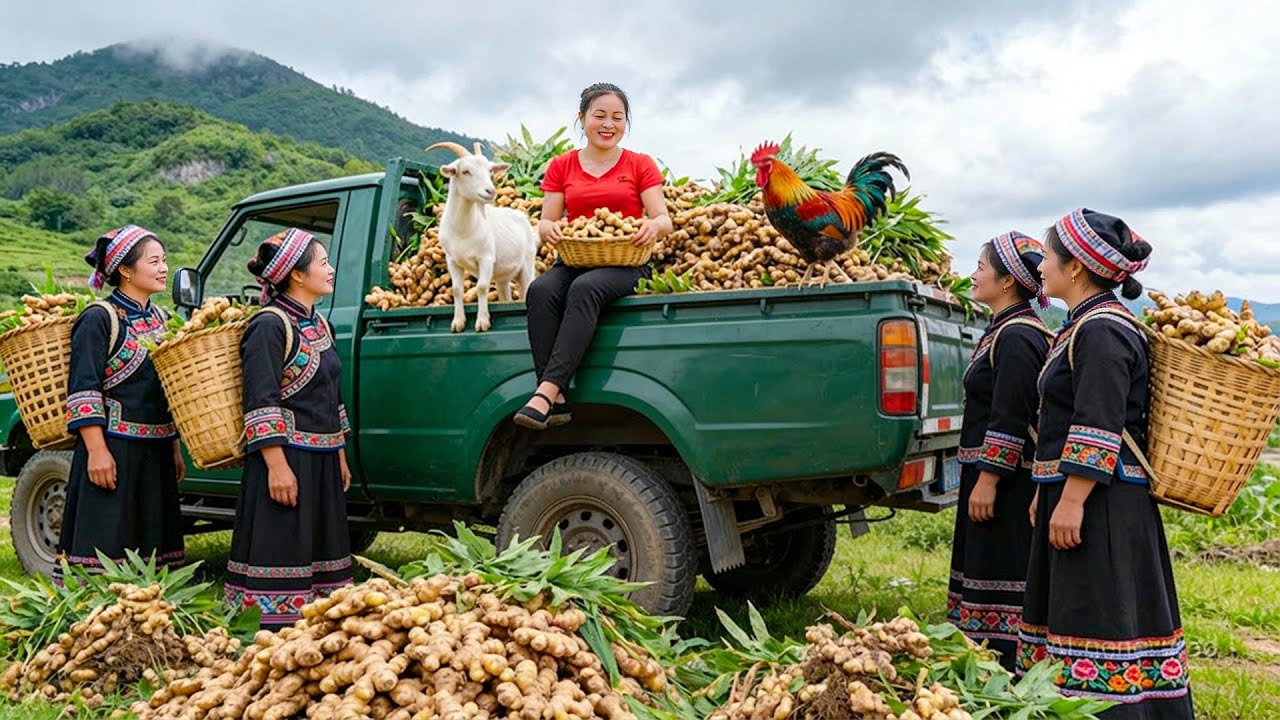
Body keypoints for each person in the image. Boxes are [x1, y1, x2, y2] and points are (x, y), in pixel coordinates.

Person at [1017, 209, 1193, 717]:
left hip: (1104, 503)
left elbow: (1099, 420)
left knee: (1100, 615)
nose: (1041, 266)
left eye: (1048, 256)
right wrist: (1044, 490)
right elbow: (1059, 419)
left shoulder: (1103, 331)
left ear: (1075, 267)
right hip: (1083, 494)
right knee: (1080, 612)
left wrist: (1072, 501)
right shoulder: (1082, 326)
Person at [515, 82, 673, 429]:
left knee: (585, 289)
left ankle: (546, 392)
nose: (608, 124)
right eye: (599, 115)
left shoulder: (640, 164)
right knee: (540, 291)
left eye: (618, 117)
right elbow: (546, 221)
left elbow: (664, 220)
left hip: (627, 261)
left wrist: (652, 226)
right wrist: (549, 229)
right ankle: (557, 401)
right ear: (582, 118)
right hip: (576, 256)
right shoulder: (562, 165)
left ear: (626, 122)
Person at [225, 228, 353, 630]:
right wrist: (277, 467)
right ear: (297, 275)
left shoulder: (321, 325)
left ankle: (320, 627)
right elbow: (261, 400)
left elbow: (331, 396)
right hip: (287, 459)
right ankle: (271, 630)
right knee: (283, 544)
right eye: (323, 263)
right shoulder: (269, 325)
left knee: (321, 549)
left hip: (322, 461)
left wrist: (339, 455)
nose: (331, 270)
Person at [947, 231, 1052, 671]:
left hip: (1006, 483)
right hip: (993, 475)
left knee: (1001, 567)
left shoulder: (1018, 336)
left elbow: (1010, 415)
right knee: (985, 566)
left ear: (1007, 281)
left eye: (980, 267)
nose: (973, 275)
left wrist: (988, 481)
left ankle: (1004, 665)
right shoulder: (1004, 329)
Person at [59, 225, 185, 584]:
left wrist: (174, 447)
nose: (164, 268)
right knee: (107, 545)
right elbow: (83, 390)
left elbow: (168, 392)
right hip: (114, 450)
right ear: (126, 270)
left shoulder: (163, 320)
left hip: (156, 453)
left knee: (153, 550)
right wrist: (97, 451)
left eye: (165, 260)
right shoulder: (99, 318)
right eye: (154, 262)